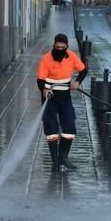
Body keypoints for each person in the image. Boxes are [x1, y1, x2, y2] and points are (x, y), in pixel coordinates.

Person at [37, 33, 88, 171]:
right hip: (50, 96)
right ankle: (55, 162)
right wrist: (44, 90)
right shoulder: (46, 59)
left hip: (65, 96)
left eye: (62, 47)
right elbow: (40, 79)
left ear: (66, 47)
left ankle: (63, 157)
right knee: (51, 128)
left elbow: (83, 70)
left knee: (70, 125)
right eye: (57, 47)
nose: (59, 49)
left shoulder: (71, 56)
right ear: (54, 45)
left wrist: (77, 81)